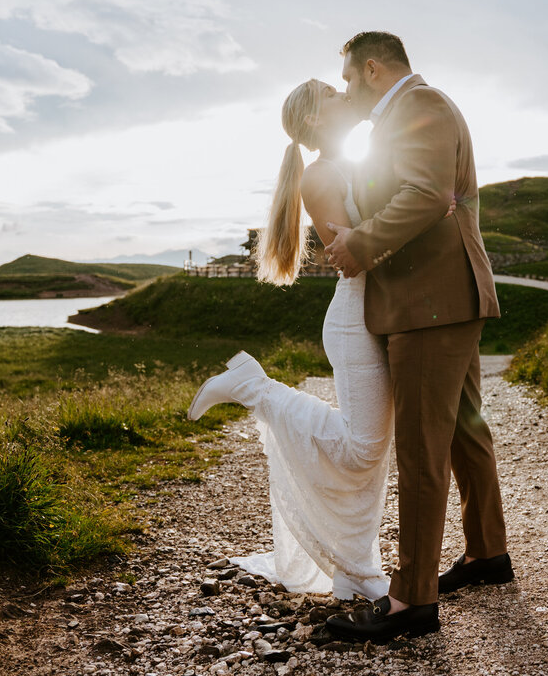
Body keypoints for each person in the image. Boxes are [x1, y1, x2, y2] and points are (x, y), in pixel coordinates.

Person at [324, 31, 513, 642]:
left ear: (372, 68)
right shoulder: (413, 110)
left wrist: (360, 242)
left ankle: (412, 600)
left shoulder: (419, 106)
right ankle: (487, 554)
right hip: (441, 299)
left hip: (430, 303)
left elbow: (430, 195)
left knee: (420, 450)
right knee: (464, 429)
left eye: (349, 79)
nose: (346, 90)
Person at [186, 79, 393, 601]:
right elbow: (359, 254)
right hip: (355, 321)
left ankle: (356, 572)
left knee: (373, 451)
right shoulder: (322, 174)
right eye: (331, 92)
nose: (344, 93)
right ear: (315, 120)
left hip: (380, 316)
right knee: (362, 449)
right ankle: (252, 387)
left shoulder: (359, 160)